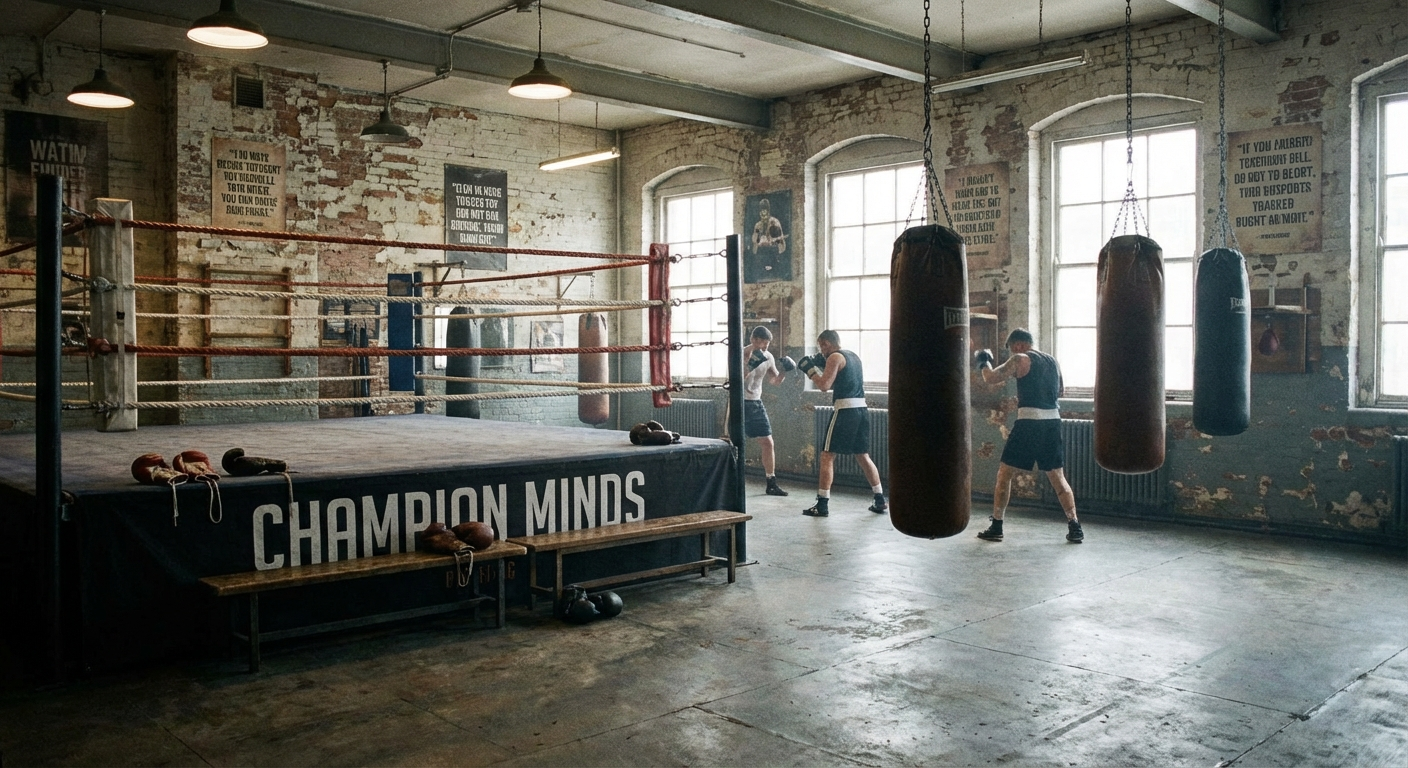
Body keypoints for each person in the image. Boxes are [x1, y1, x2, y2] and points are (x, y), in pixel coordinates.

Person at [974, 329, 1084, 543]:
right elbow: (1060, 390)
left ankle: (997, 526)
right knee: (1058, 478)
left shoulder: (1020, 359)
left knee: (1004, 474)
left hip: (1029, 423)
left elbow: (991, 378)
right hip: (1052, 423)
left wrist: (983, 361)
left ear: (1017, 346)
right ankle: (1075, 526)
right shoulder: (1053, 361)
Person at [797, 330, 885, 517]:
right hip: (862, 410)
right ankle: (879, 499)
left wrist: (810, 370)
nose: (821, 350)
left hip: (845, 411)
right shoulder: (853, 356)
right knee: (862, 455)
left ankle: (822, 504)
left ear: (827, 343)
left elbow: (824, 385)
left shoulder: (834, 357)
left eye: (822, 346)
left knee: (827, 455)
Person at [740, 326, 793, 496]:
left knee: (768, 443)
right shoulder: (740, 353)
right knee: (734, 444)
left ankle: (771, 483)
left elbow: (775, 381)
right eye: (761, 343)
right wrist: (750, 364)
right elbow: (738, 378)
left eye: (767, 345)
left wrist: (785, 371)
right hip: (738, 403)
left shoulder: (768, 357)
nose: (764, 348)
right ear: (753, 340)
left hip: (755, 404)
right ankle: (731, 481)